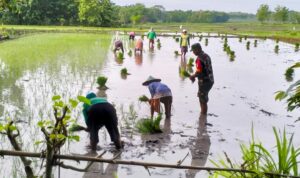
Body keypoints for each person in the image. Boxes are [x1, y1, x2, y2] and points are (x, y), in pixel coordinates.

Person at [189, 43, 214, 115]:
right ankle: (203, 115)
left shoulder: (199, 59)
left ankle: (203, 116)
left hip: (204, 81)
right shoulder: (206, 56)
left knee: (202, 100)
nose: (193, 52)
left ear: (197, 49)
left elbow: (199, 71)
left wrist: (193, 76)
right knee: (204, 98)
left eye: (193, 51)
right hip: (210, 80)